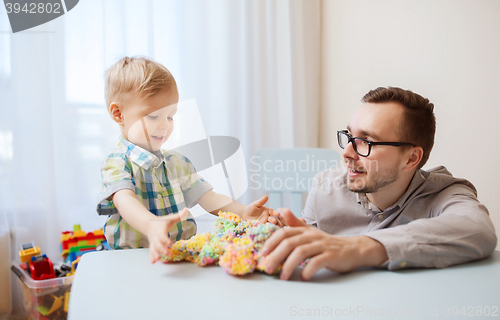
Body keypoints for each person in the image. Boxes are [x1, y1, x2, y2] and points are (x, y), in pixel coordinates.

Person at [262, 86, 497, 281]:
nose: (346, 152)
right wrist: (278, 234)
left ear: (411, 158)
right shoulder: (325, 188)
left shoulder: (444, 194)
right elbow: (310, 252)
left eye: (365, 141)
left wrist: (361, 248)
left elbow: (479, 230)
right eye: (349, 136)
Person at [97, 56, 277, 263]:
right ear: (118, 113)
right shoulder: (116, 163)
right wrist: (150, 224)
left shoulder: (177, 163)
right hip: (132, 260)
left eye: (170, 116)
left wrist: (243, 211)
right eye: (153, 116)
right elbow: (124, 201)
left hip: (179, 255)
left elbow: (208, 197)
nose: (164, 125)